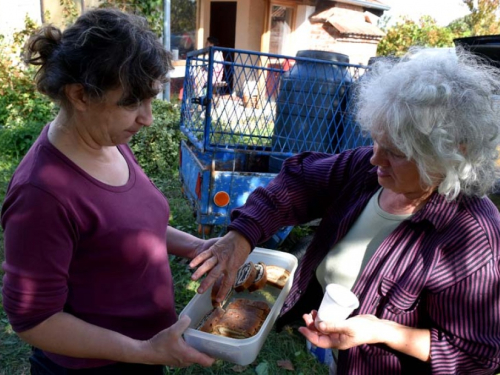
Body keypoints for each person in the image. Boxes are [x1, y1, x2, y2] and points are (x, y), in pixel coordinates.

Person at [189, 48, 500, 374]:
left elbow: (477, 355)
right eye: (377, 141)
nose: (374, 159)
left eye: (394, 152)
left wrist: (383, 331)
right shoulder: (367, 172)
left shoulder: (472, 235)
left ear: (449, 155)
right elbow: (299, 182)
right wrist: (240, 237)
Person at [1, 8, 216, 374]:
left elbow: (127, 227)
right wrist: (145, 350)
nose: (147, 117)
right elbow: (35, 321)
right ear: (81, 95)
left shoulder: (108, 140)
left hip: (145, 351)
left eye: (150, 98)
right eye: (132, 102)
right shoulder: (41, 195)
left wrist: (197, 247)